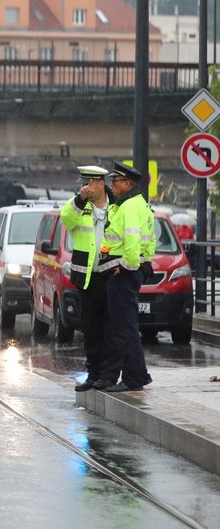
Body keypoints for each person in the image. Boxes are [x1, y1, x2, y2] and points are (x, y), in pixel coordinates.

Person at [93, 162, 156, 392]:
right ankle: (139, 374)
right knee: (126, 325)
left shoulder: (129, 206)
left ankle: (133, 378)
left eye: (115, 180)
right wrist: (143, 262)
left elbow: (131, 241)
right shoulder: (140, 204)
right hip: (128, 271)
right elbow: (150, 240)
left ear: (127, 184)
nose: (112, 184)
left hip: (123, 274)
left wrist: (128, 267)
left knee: (124, 327)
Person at [60, 165, 113, 390]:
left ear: (101, 183)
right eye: (84, 183)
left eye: (90, 183)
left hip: (112, 274)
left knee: (111, 328)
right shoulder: (80, 207)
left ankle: (109, 375)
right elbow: (66, 219)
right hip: (89, 277)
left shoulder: (117, 206)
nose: (86, 187)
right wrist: (79, 199)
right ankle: (93, 374)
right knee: (91, 328)